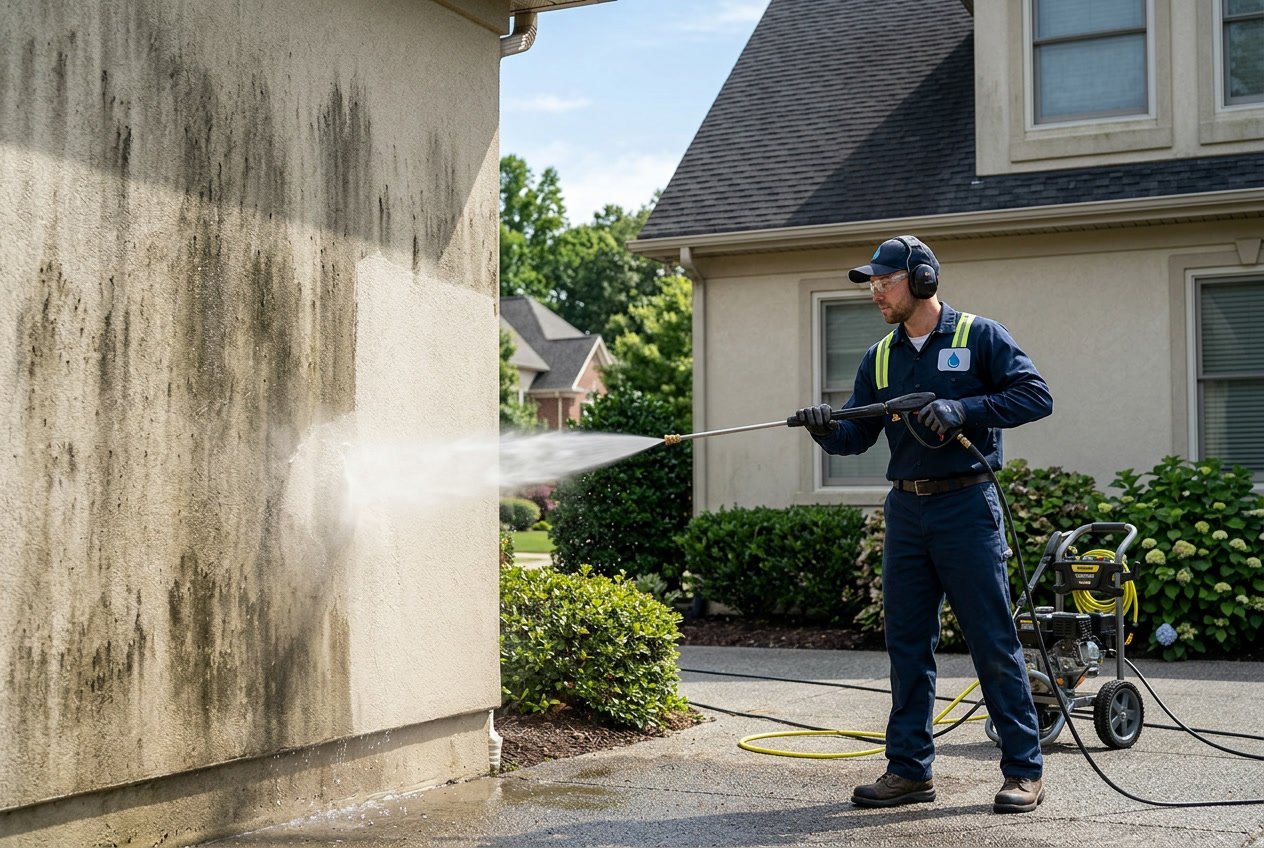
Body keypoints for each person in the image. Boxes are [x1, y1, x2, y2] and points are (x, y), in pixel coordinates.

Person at [795, 235, 1053, 814]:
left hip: (967, 506)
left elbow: (1036, 395)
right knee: (908, 644)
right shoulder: (879, 358)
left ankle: (1023, 771)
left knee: (992, 640)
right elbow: (855, 437)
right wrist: (823, 426)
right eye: (873, 286)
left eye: (885, 283)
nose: (876, 294)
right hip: (906, 510)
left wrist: (966, 409)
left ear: (923, 280)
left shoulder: (978, 336)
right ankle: (910, 771)